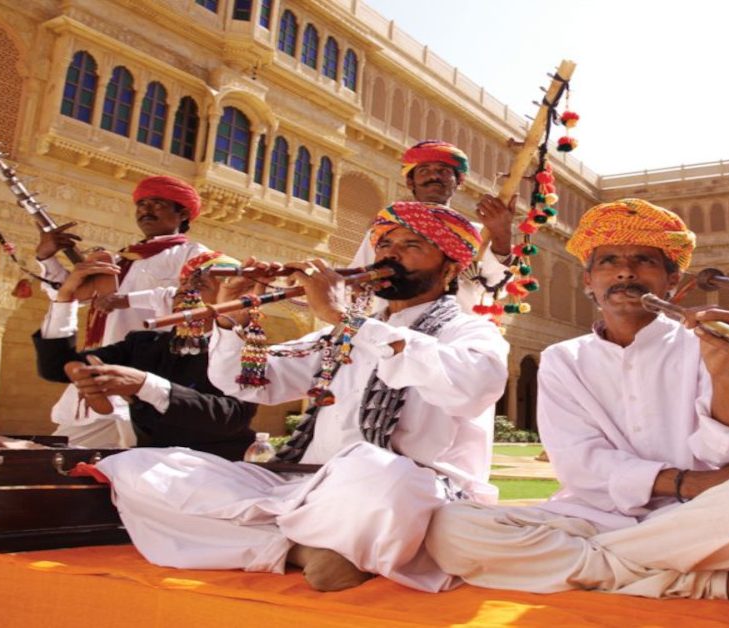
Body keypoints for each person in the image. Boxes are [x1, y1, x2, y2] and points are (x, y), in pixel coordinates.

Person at [426, 199, 729, 607]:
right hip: (594, 515)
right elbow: (579, 464)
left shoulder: (718, 344)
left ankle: (596, 567)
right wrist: (686, 481)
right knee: (449, 528)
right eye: (608, 261)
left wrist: (723, 372)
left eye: (644, 260)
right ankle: (701, 583)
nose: (625, 271)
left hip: (698, 517)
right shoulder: (563, 360)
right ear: (588, 281)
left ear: (672, 282)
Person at [92, 202, 509, 593]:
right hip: (306, 487)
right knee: (141, 468)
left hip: (396, 493)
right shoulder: (340, 333)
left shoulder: (470, 332)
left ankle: (281, 539)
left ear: (451, 266)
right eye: (384, 243)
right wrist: (234, 318)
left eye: (411, 245)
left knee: (381, 471)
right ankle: (301, 550)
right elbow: (252, 381)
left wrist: (347, 320)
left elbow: (471, 389)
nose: (390, 254)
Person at [35, 175, 210, 447]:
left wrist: (127, 300)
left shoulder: (195, 255)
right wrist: (47, 257)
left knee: (140, 461)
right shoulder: (121, 258)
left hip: (149, 375)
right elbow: (70, 295)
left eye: (157, 203)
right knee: (62, 455)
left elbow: (197, 299)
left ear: (183, 213)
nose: (145, 210)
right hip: (100, 371)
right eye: (141, 204)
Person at [32, 251, 257, 460]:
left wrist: (144, 386)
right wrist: (65, 297)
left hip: (214, 471)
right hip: (147, 468)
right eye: (184, 282)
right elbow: (57, 367)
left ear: (229, 299)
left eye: (199, 284)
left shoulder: (242, 351)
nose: (185, 290)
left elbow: (232, 416)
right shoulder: (144, 344)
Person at [352, 140, 516, 313]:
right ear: (410, 182)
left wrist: (501, 235)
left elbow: (495, 289)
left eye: (443, 171)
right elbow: (357, 285)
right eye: (424, 171)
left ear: (458, 182)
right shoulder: (386, 230)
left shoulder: (477, 233)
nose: (434, 176)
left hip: (456, 331)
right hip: (393, 331)